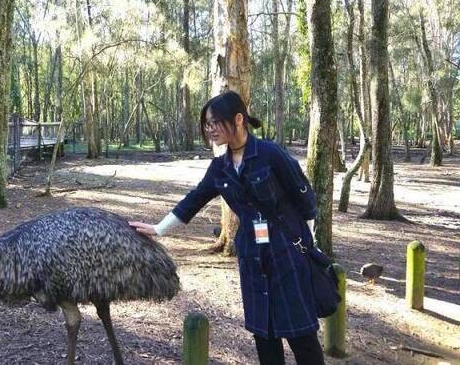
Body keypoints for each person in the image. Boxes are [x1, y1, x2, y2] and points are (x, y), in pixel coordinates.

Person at [130, 91, 325, 365]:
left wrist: (307, 241)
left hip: (287, 255)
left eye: (214, 122)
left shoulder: (270, 154)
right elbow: (193, 200)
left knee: (301, 335)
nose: (209, 129)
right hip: (252, 258)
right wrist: (158, 228)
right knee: (264, 335)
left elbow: (305, 199)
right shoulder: (219, 168)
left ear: (238, 119)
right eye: (206, 124)